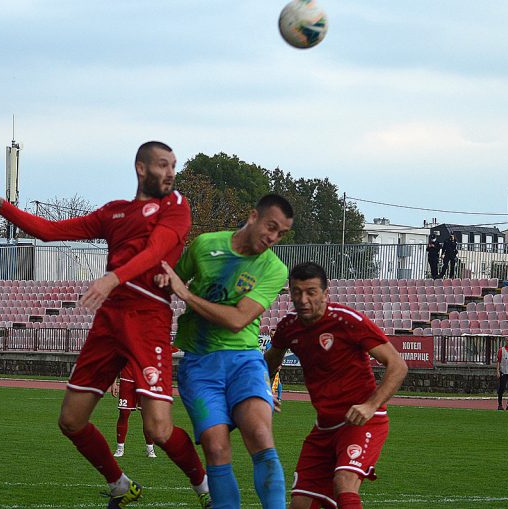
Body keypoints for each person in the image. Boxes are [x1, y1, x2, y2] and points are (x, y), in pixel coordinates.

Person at [0, 141, 211, 509]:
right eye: (163, 165)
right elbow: (50, 231)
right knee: (70, 420)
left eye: (173, 166)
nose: (171, 173)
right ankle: (120, 484)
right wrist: (0, 205)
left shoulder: (176, 206)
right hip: (109, 322)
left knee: (157, 430)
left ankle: (205, 488)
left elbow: (155, 250)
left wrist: (113, 278)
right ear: (141, 168)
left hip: (148, 319)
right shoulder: (114, 212)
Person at [158, 194, 294, 509]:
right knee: (216, 448)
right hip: (200, 366)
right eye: (271, 227)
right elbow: (167, 280)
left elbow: (237, 320)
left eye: (281, 234)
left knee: (260, 436)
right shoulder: (205, 246)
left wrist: (186, 295)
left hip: (244, 363)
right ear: (253, 216)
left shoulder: (273, 268)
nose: (273, 238)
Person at [264, 262, 408, 509]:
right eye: (296, 292)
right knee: (300, 503)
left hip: (362, 420)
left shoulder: (348, 321)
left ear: (325, 294)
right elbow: (270, 360)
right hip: (324, 426)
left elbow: (397, 365)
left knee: (344, 482)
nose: (303, 299)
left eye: (311, 292)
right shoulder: (288, 327)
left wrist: (370, 406)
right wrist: (263, 389)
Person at [111, 363, 156, 458]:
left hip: (144, 381)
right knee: (124, 413)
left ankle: (150, 449)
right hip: (126, 380)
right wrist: (114, 382)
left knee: (147, 415)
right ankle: (120, 448)